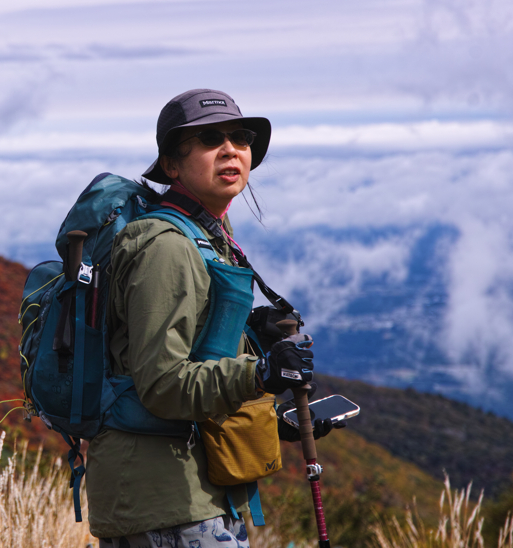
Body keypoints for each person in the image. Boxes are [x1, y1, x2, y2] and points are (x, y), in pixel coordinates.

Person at [85, 89, 333, 547]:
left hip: (195, 492)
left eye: (239, 137)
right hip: (163, 502)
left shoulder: (208, 234)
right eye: (208, 139)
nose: (231, 148)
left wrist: (274, 417)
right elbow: (162, 385)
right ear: (172, 165)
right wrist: (261, 373)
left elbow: (202, 367)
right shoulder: (168, 248)